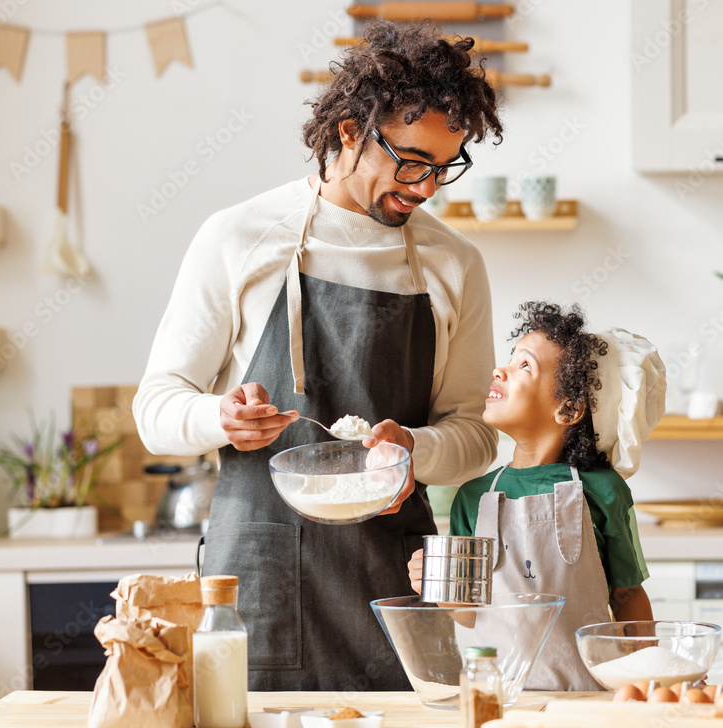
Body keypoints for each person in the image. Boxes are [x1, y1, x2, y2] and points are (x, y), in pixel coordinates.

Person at [133, 22, 503, 691]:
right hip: (264, 582)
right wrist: (222, 417)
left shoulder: (455, 264)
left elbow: (476, 436)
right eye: (413, 162)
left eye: (444, 169)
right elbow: (155, 408)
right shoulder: (239, 237)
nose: (426, 189)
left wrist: (416, 449)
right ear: (348, 133)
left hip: (398, 583)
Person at [407, 301, 667, 690]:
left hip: (587, 702)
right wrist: (438, 585)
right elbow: (469, 612)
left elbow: (628, 595)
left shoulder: (604, 491)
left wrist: (650, 673)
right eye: (510, 361)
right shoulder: (473, 497)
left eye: (524, 366)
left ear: (568, 409)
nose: (499, 371)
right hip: (498, 701)